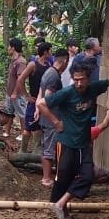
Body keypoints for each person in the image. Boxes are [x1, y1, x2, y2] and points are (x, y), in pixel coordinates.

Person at [38, 55, 109, 219]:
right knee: (63, 178)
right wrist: (56, 122)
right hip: (66, 143)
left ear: (88, 78)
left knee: (87, 177)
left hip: (84, 143)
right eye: (76, 79)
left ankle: (59, 205)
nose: (79, 83)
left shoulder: (94, 88)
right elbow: (41, 103)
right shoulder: (67, 93)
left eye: (82, 79)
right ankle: (60, 210)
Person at [35, 47, 69, 187]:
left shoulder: (48, 71)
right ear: (65, 61)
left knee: (47, 147)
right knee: (49, 148)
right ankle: (46, 178)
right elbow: (48, 96)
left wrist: (38, 107)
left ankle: (48, 176)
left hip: (46, 117)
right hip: (51, 118)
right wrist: (55, 120)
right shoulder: (54, 76)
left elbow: (40, 91)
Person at [14, 41, 53, 156]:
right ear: (45, 52)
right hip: (33, 100)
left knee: (39, 126)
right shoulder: (33, 65)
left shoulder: (48, 65)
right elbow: (20, 80)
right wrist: (27, 96)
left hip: (43, 101)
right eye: (50, 50)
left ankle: (37, 150)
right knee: (29, 126)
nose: (51, 52)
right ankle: (23, 150)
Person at [0, 38, 27, 148]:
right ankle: (7, 131)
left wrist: (15, 92)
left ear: (13, 47)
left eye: (9, 46)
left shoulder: (21, 62)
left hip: (18, 94)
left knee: (22, 114)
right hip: (9, 93)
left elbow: (20, 79)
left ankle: (23, 132)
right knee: (9, 112)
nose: (8, 49)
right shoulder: (13, 61)